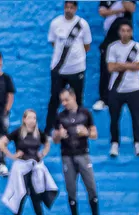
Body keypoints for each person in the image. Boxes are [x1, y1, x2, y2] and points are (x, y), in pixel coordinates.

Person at [53, 87, 111, 215]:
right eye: (62, 101)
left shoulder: (85, 113)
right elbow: (54, 139)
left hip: (83, 154)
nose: (64, 103)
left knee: (91, 186)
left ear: (73, 98)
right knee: (71, 189)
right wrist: (60, 135)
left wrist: (86, 132)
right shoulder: (60, 116)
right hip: (67, 156)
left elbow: (94, 134)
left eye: (66, 100)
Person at [0, 109, 57, 215]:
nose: (32, 120)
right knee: (20, 195)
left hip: (34, 167)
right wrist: (12, 156)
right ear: (24, 119)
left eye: (34, 118)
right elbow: (2, 143)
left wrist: (43, 154)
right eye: (29, 118)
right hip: (21, 167)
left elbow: (47, 143)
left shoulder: (38, 133)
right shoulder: (18, 132)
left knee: (36, 196)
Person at [45, 1, 92, 134]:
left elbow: (87, 46)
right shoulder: (55, 23)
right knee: (54, 99)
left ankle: (79, 129)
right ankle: (50, 130)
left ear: (75, 9)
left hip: (77, 69)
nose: (69, 10)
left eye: (71, 7)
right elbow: (54, 43)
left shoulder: (82, 24)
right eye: (67, 7)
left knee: (78, 100)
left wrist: (75, 57)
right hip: (58, 69)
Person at [106, 22, 139, 158]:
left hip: (133, 88)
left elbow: (138, 66)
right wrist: (129, 65)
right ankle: (115, 143)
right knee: (114, 118)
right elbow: (110, 68)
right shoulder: (113, 47)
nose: (125, 33)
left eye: (128, 30)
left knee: (136, 118)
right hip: (116, 89)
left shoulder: (137, 47)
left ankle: (137, 143)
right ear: (119, 32)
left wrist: (119, 64)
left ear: (132, 32)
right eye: (123, 30)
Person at [94, 1, 137, 112]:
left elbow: (131, 8)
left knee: (127, 67)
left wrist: (114, 10)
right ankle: (104, 99)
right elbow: (102, 12)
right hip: (110, 36)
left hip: (124, 35)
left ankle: (126, 98)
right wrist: (119, 10)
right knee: (105, 67)